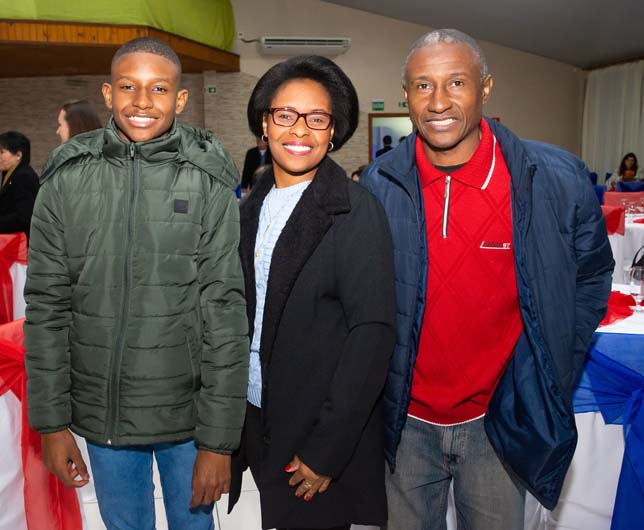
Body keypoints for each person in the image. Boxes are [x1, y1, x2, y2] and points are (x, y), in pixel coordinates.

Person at [361, 29, 614, 530]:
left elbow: (592, 275)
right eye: (423, 85)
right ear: (406, 94)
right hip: (406, 423)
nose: (438, 101)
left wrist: (557, 355)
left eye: (456, 82)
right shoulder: (378, 184)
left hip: (498, 423)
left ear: (486, 88)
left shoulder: (552, 178)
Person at [24, 37, 249, 530]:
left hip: (189, 419)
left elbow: (225, 311)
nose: (142, 101)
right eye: (128, 86)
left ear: (180, 99)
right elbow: (46, 308)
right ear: (108, 93)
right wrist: (51, 424)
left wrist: (219, 441)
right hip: (105, 417)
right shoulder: (66, 177)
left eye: (159, 89)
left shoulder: (206, 177)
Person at [229, 55, 395, 530]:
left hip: (316, 432)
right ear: (264, 124)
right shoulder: (250, 207)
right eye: (285, 115)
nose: (299, 129)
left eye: (317, 118)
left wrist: (326, 450)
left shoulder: (355, 211)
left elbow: (372, 337)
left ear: (333, 131)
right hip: (260, 417)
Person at [0, 131, 39, 238]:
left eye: (2, 152)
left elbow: (23, 216)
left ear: (18, 155)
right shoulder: (9, 172)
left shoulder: (24, 177)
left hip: (20, 240)